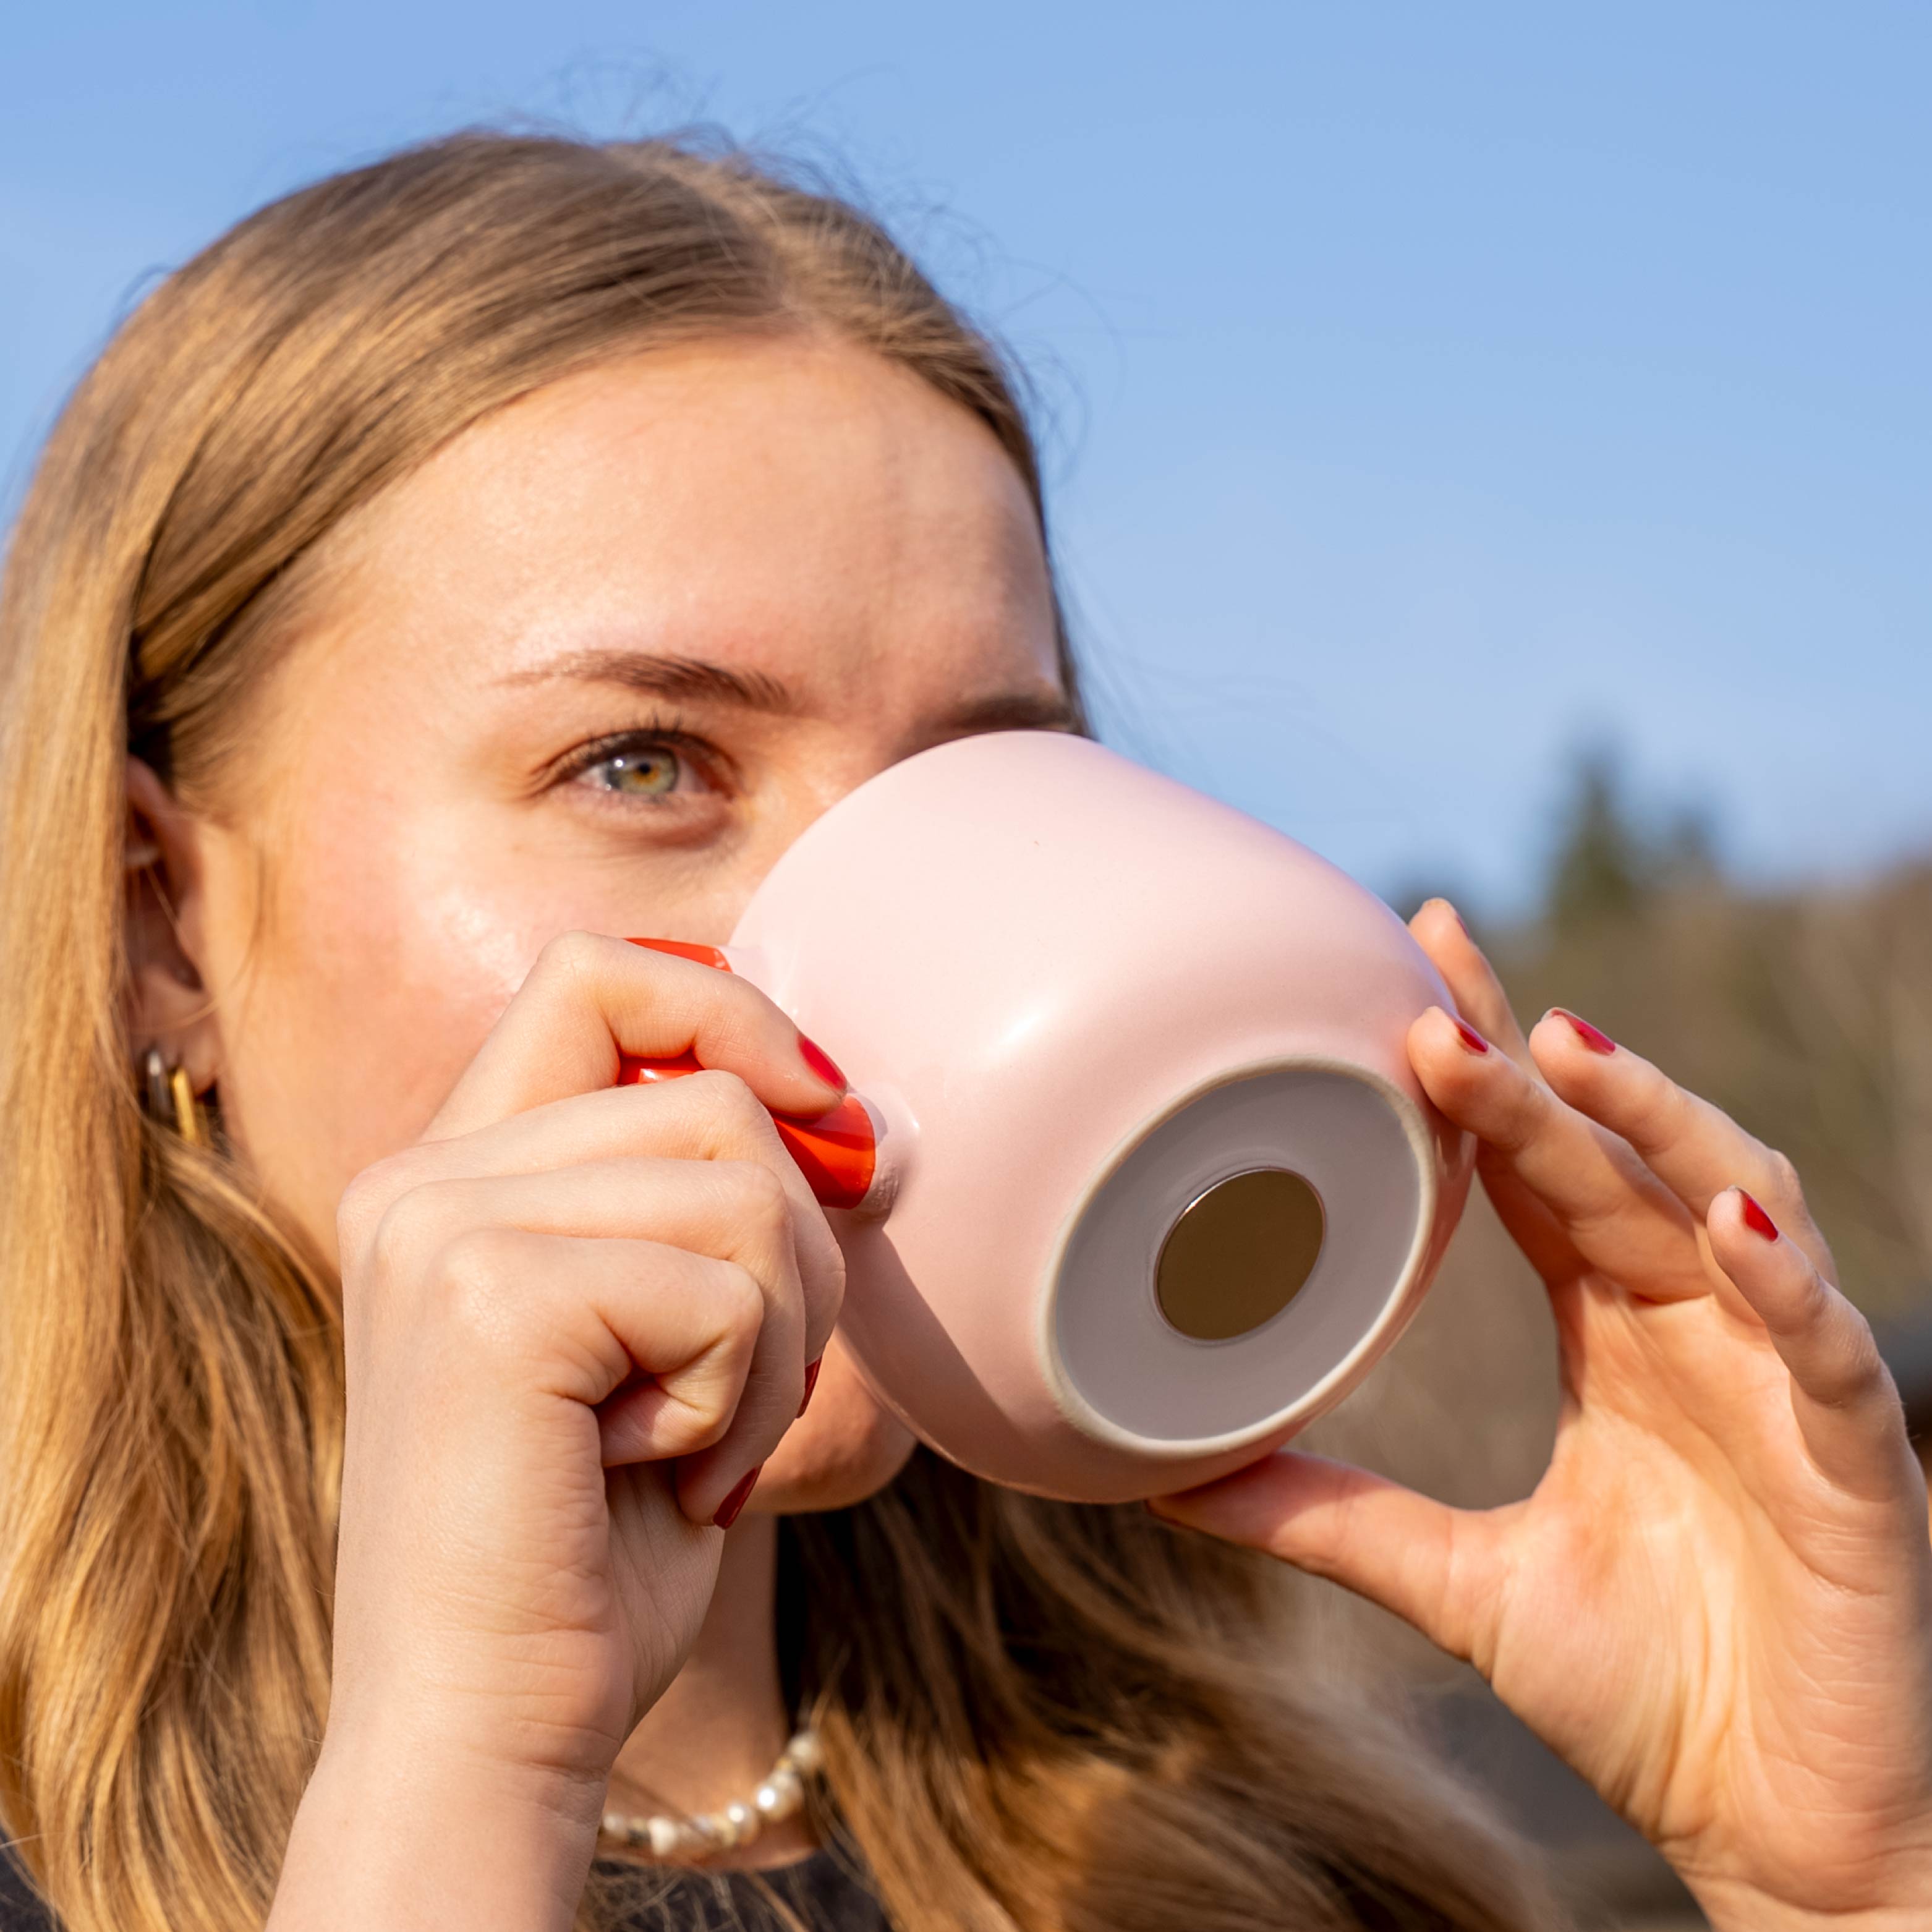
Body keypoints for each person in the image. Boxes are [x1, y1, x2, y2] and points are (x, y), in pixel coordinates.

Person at [0, 130, 1926, 1932]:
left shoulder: (1255, 1867)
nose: (846, 926)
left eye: (982, 772)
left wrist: (1835, 1879)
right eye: (645, 761)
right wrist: (459, 1780)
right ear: (153, 926)